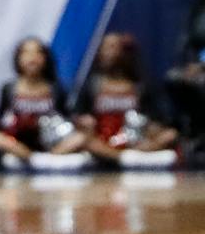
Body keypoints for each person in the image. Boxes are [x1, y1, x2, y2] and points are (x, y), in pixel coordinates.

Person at [75, 33, 181, 168]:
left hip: (136, 140)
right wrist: (84, 121)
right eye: (104, 48)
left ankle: (130, 155)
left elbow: (156, 118)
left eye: (112, 47)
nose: (106, 53)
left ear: (125, 52)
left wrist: (151, 127)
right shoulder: (92, 84)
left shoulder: (140, 85)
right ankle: (124, 158)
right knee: (81, 140)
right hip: (103, 142)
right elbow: (79, 115)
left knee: (170, 135)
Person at [0, 37, 87, 171]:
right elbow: (0, 118)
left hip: (50, 142)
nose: (32, 58)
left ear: (45, 59)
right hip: (19, 142)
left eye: (37, 53)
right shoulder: (9, 89)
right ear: (18, 59)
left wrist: (79, 121)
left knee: (81, 138)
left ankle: (48, 158)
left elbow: (65, 117)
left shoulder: (55, 89)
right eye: (26, 53)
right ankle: (32, 159)